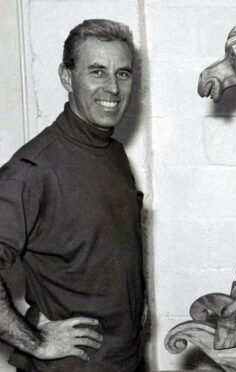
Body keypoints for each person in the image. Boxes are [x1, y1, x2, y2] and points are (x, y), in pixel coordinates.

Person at [0, 19, 145, 371]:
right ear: (67, 78)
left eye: (123, 74)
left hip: (127, 359)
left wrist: (141, 310)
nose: (112, 88)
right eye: (97, 72)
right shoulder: (32, 169)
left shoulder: (112, 152)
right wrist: (34, 342)